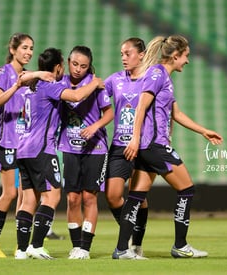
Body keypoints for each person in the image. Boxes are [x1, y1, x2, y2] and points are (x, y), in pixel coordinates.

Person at [112, 35, 223, 260]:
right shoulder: (157, 73)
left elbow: (177, 114)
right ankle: (180, 245)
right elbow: (140, 107)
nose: (187, 61)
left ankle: (122, 249)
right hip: (154, 145)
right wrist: (134, 139)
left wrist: (203, 130)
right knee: (187, 189)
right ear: (175, 55)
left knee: (135, 196)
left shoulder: (163, 77)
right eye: (186, 56)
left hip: (148, 146)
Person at [14, 47, 105, 260]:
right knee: (53, 196)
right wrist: (95, 82)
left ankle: (21, 250)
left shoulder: (30, 86)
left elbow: (21, 77)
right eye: (64, 64)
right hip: (42, 149)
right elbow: (75, 95)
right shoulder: (49, 86)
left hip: (23, 149)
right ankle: (36, 246)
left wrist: (35, 74)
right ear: (57, 67)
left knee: (29, 201)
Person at [0, 33, 54, 258]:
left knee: (26, 196)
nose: (29, 52)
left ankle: (20, 246)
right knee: (10, 193)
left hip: (24, 143)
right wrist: (16, 86)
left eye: (31, 48)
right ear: (13, 49)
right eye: (24, 47)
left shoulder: (28, 76)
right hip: (6, 141)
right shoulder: (4, 72)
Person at [57, 46, 113, 260]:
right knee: (72, 198)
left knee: (89, 197)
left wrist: (94, 127)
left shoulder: (97, 85)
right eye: (75, 64)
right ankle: (76, 246)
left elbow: (109, 113)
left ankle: (85, 248)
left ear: (89, 66)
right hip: (68, 147)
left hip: (95, 148)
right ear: (68, 62)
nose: (78, 69)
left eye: (84, 66)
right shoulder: (60, 82)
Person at [104, 37, 148, 257]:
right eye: (121, 53)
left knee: (138, 198)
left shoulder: (151, 79)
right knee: (112, 195)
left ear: (141, 54)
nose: (123, 58)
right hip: (120, 146)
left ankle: (136, 245)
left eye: (127, 53)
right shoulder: (115, 80)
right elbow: (98, 99)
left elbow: (166, 110)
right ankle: (128, 233)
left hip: (144, 147)